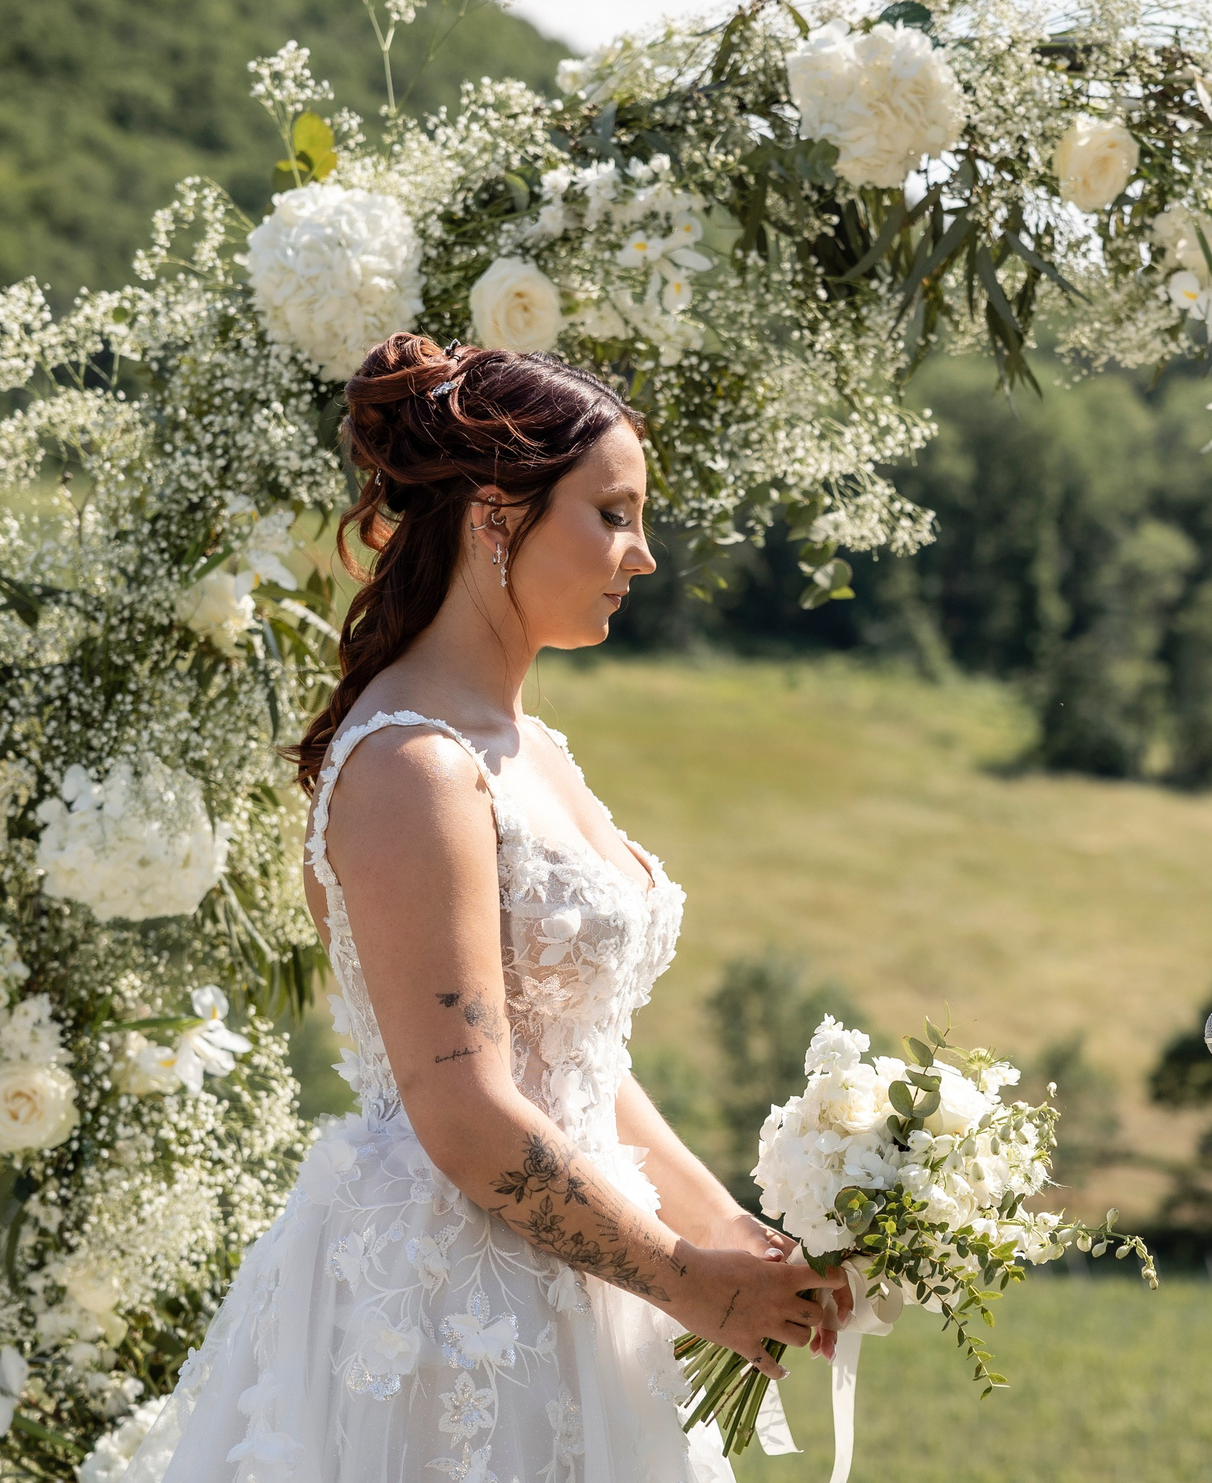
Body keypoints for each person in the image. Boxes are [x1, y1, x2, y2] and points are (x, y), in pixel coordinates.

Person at [132, 333, 845, 1482]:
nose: (642, 554)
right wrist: (682, 1279)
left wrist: (727, 1235)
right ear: (495, 518)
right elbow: (462, 1107)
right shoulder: (412, 766)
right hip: (451, 1311)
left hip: (588, 1268)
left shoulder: (531, 747)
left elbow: (579, 1061)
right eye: (611, 515)